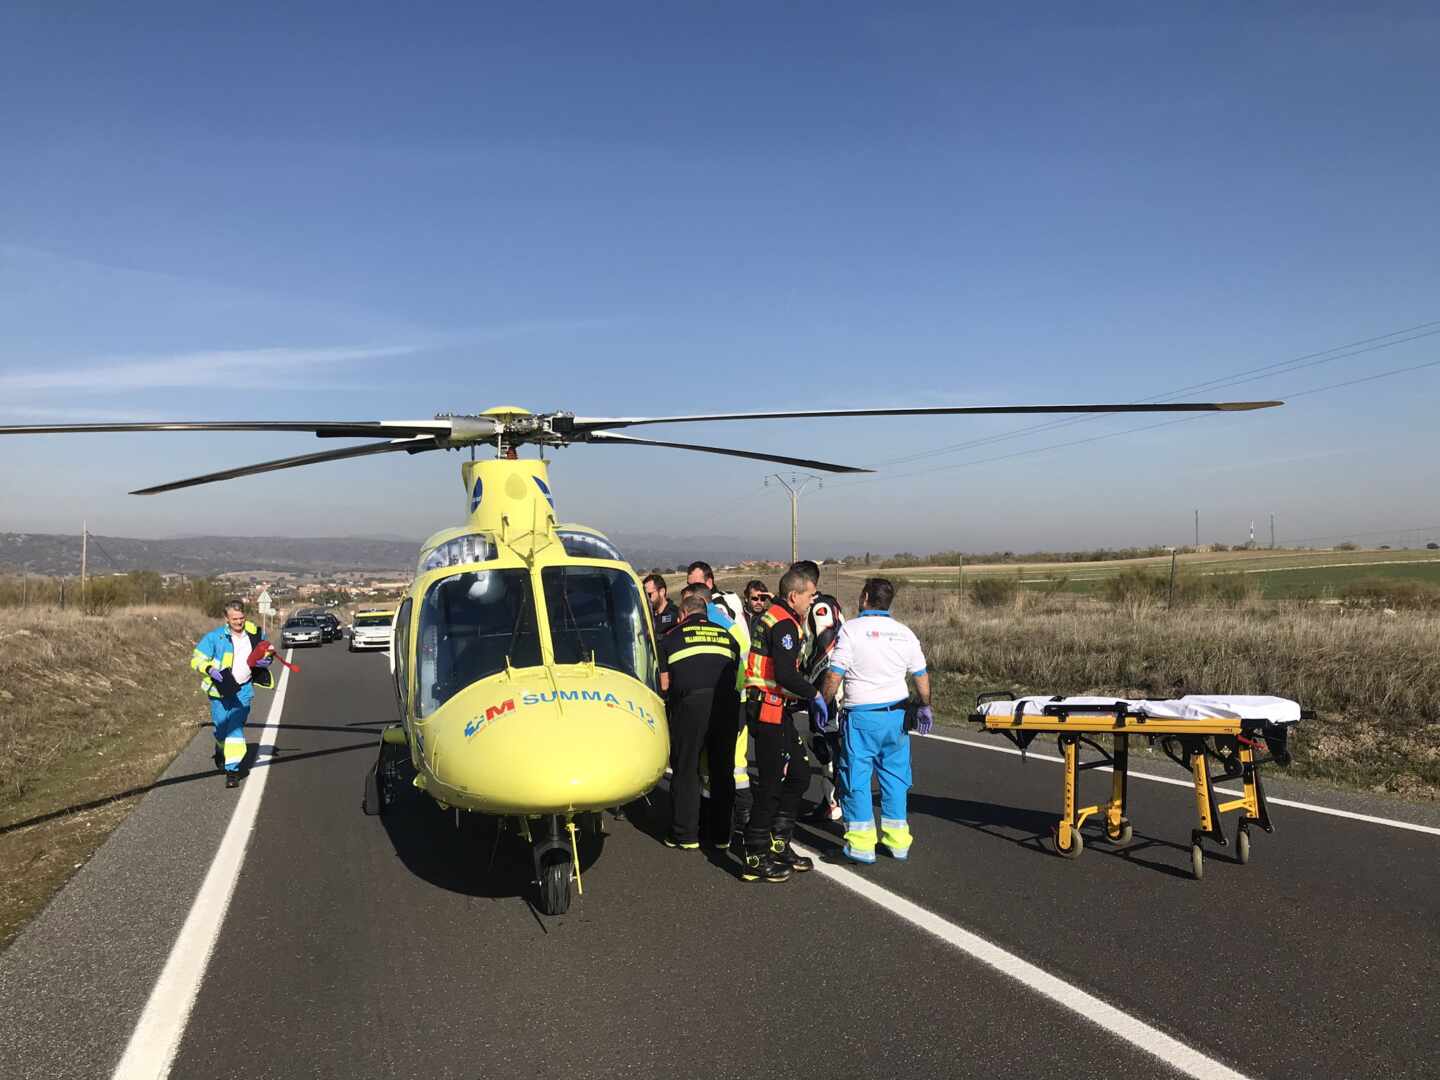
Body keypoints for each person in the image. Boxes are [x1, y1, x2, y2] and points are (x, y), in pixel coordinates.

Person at [819, 578, 932, 864]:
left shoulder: (851, 630)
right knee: (895, 779)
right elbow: (920, 675)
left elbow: (835, 673)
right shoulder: (904, 633)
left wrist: (822, 701)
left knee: (855, 778)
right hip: (897, 716)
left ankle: (860, 845)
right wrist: (925, 705)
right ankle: (897, 843)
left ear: (866, 596)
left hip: (862, 717)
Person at [740, 568, 823, 882]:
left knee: (800, 775)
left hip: (778, 708)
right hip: (767, 709)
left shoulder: (778, 617)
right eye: (810, 595)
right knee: (772, 782)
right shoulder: (784, 623)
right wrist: (814, 694)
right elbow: (786, 675)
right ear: (794, 596)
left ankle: (779, 841)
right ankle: (755, 852)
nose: (813, 600)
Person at [657, 591, 743, 850]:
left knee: (686, 767)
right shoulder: (728, 637)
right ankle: (721, 835)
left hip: (691, 704)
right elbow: (736, 674)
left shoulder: (670, 638)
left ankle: (685, 835)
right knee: (722, 769)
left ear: (683, 615)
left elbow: (664, 683)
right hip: (727, 705)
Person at [190, 601, 276, 788]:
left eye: (241, 618)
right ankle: (220, 748)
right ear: (226, 619)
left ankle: (232, 771)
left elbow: (267, 650)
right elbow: (196, 659)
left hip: (243, 689)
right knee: (221, 729)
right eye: (234, 619)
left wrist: (266, 660)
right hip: (219, 691)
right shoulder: (215, 638)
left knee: (235, 728)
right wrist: (209, 669)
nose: (239, 622)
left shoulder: (255, 633)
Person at [686, 560, 743, 628]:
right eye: (689, 585)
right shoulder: (730, 596)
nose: (690, 589)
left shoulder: (717, 605)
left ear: (709, 583)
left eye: (696, 585)